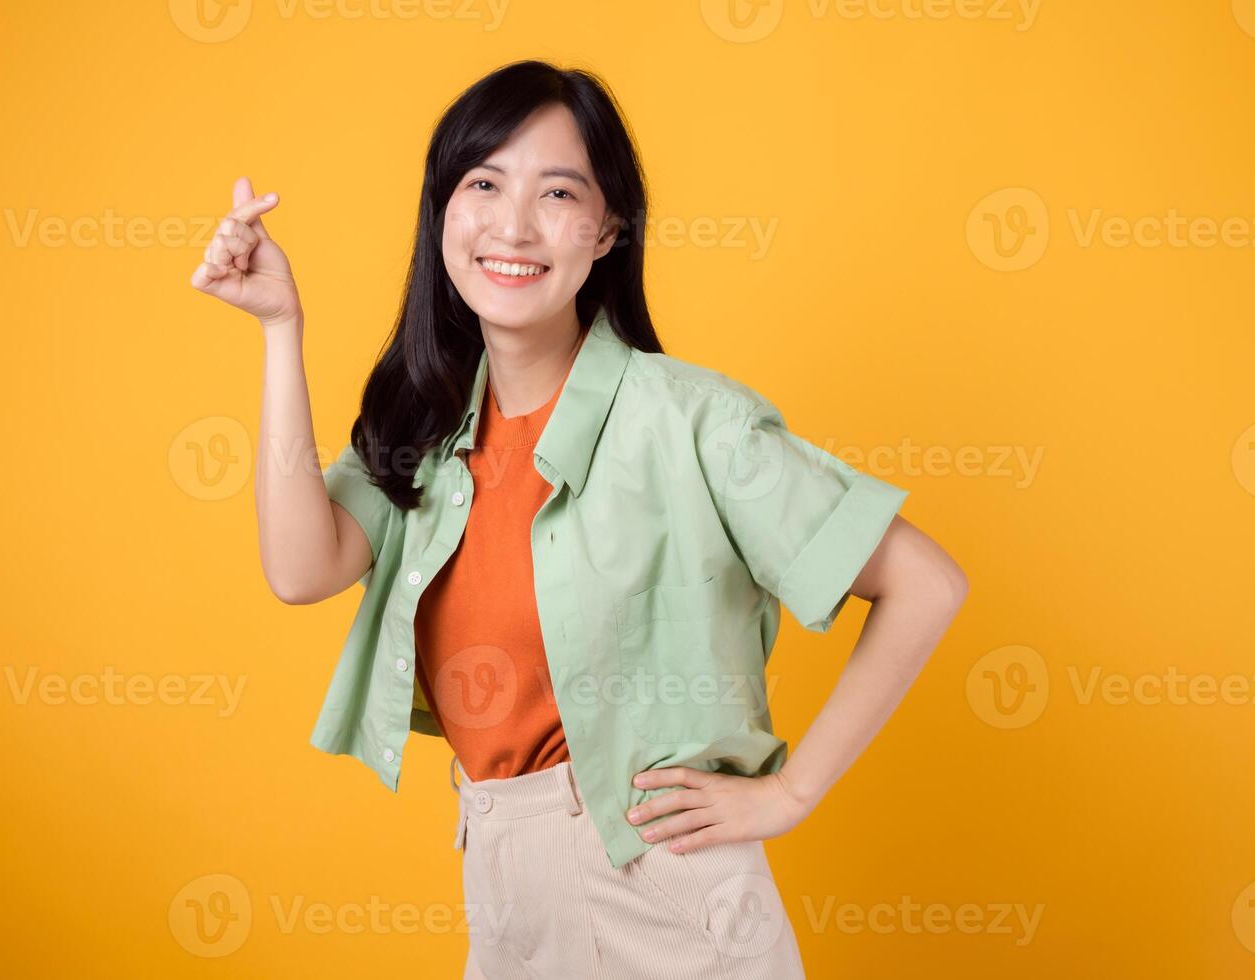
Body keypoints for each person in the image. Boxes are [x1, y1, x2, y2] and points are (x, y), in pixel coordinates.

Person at [190, 58, 967, 980]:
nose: (513, 224)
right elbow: (299, 569)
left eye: (558, 191)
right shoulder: (426, 426)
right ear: (443, 211)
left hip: (660, 892)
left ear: (606, 232)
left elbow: (925, 581)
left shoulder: (692, 421)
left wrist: (791, 792)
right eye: (483, 183)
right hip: (503, 883)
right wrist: (281, 328)